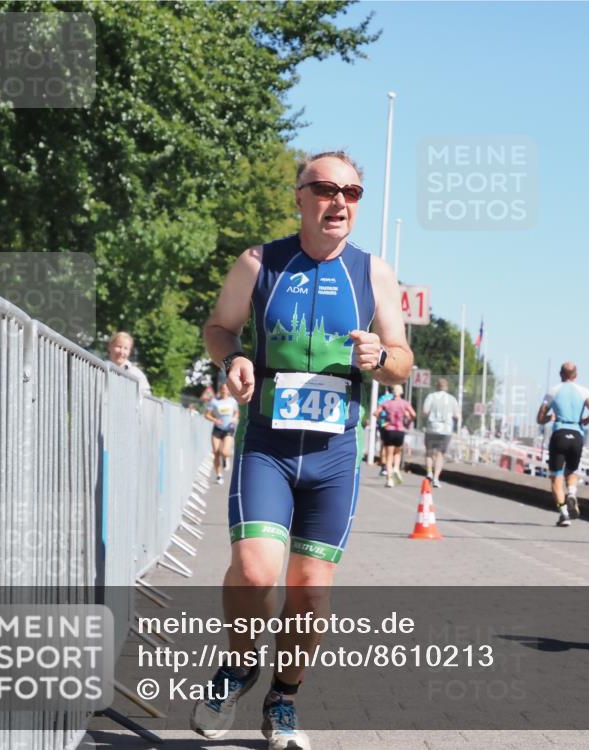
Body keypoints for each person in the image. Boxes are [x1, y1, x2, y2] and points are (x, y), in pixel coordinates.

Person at [193, 150, 412, 749]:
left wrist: (381, 358)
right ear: (299, 196)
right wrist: (234, 358)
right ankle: (240, 665)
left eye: (352, 192)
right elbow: (219, 329)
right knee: (255, 570)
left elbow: (401, 358)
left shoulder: (374, 274)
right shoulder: (258, 262)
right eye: (325, 188)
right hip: (266, 443)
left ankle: (283, 698)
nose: (339, 201)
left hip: (334, 454)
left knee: (311, 589)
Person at [536, 362, 589, 527]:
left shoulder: (553, 391)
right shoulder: (584, 391)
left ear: (560, 374)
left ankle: (563, 513)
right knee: (572, 470)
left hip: (560, 434)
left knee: (556, 476)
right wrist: (585, 421)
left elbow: (539, 418)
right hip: (577, 435)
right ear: (575, 375)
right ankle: (571, 492)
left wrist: (550, 417)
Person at [422, 377, 460, 487]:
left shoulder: (431, 396)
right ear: (446, 387)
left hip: (432, 428)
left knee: (429, 453)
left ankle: (429, 472)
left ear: (436, 386)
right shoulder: (452, 399)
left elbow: (425, 411)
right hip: (446, 430)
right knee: (440, 455)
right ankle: (436, 478)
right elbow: (457, 415)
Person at [377, 384, 415, 488]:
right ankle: (396, 468)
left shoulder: (387, 403)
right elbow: (413, 414)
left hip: (389, 430)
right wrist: (408, 422)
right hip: (400, 430)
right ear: (401, 392)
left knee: (389, 456)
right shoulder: (405, 403)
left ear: (393, 392)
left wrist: (383, 423)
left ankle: (389, 479)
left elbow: (376, 413)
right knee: (397, 453)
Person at [206, 382, 239, 483]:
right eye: (222, 389)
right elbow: (207, 415)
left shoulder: (232, 401)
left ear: (229, 390)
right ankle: (219, 476)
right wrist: (215, 420)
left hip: (228, 428)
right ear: (219, 390)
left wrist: (234, 418)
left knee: (224, 451)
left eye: (226, 389)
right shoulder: (214, 402)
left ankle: (225, 458)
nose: (224, 390)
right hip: (217, 429)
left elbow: (236, 412)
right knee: (216, 453)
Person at [106, 331, 151, 396]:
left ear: (129, 351)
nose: (121, 352)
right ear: (110, 347)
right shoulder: (99, 368)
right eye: (119, 346)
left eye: (126, 348)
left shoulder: (136, 374)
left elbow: (146, 398)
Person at [376, 388, 393, 476]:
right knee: (392, 445)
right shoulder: (395, 398)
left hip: (383, 423)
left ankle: (383, 467)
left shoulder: (382, 397)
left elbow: (377, 411)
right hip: (393, 423)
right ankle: (390, 466)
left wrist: (379, 421)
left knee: (383, 444)